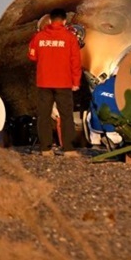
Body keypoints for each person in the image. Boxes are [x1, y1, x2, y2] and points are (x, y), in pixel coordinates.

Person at [28, 8, 82, 157]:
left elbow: (32, 56)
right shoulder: (70, 38)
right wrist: (76, 81)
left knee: (44, 115)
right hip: (64, 83)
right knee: (66, 115)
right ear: (64, 21)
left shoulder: (39, 37)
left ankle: (45, 149)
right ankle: (69, 149)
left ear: (50, 20)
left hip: (44, 82)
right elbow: (75, 61)